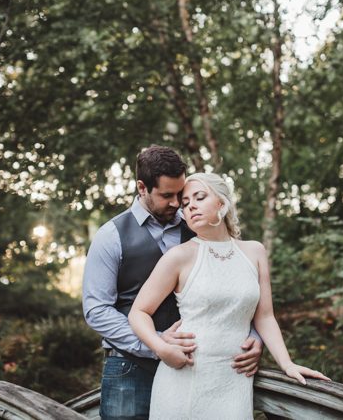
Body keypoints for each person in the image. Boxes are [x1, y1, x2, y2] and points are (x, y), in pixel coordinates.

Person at [129, 172, 330, 419]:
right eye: (185, 203)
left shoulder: (254, 252)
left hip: (234, 383)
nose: (190, 205)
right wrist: (161, 348)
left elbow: (265, 317)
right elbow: (139, 312)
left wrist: (286, 364)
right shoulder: (178, 256)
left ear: (222, 203)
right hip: (183, 380)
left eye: (200, 197)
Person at [82, 146, 263, 420]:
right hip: (130, 368)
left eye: (181, 194)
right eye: (167, 195)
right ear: (142, 188)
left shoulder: (200, 225)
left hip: (198, 369)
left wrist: (254, 337)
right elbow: (96, 310)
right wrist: (156, 345)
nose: (179, 203)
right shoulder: (111, 236)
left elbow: (236, 285)